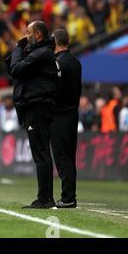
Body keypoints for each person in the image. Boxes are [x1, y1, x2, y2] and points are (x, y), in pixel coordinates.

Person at [8, 21, 59, 209]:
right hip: (35, 106)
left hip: (37, 107)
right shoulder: (40, 53)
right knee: (41, 152)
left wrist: (17, 48)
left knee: (41, 153)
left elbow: (15, 70)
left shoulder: (41, 53)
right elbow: (14, 69)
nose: (24, 36)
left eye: (27, 32)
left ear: (37, 35)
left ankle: (45, 198)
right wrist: (19, 51)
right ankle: (46, 197)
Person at [50, 28, 82, 208]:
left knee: (62, 156)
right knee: (69, 156)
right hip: (72, 112)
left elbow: (56, 89)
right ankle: (70, 194)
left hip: (60, 114)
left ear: (54, 42)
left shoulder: (57, 63)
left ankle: (68, 197)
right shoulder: (76, 62)